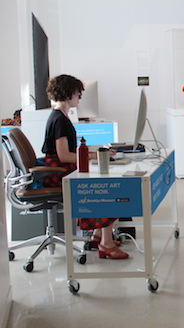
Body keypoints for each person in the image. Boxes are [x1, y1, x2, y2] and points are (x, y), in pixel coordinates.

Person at [42, 74, 128, 259]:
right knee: (104, 188)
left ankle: (99, 235)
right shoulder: (59, 120)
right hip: (57, 172)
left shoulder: (60, 116)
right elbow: (64, 156)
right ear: (68, 93)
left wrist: (93, 155)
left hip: (57, 169)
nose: (80, 97)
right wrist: (94, 155)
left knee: (103, 181)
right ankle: (106, 243)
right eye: (78, 93)